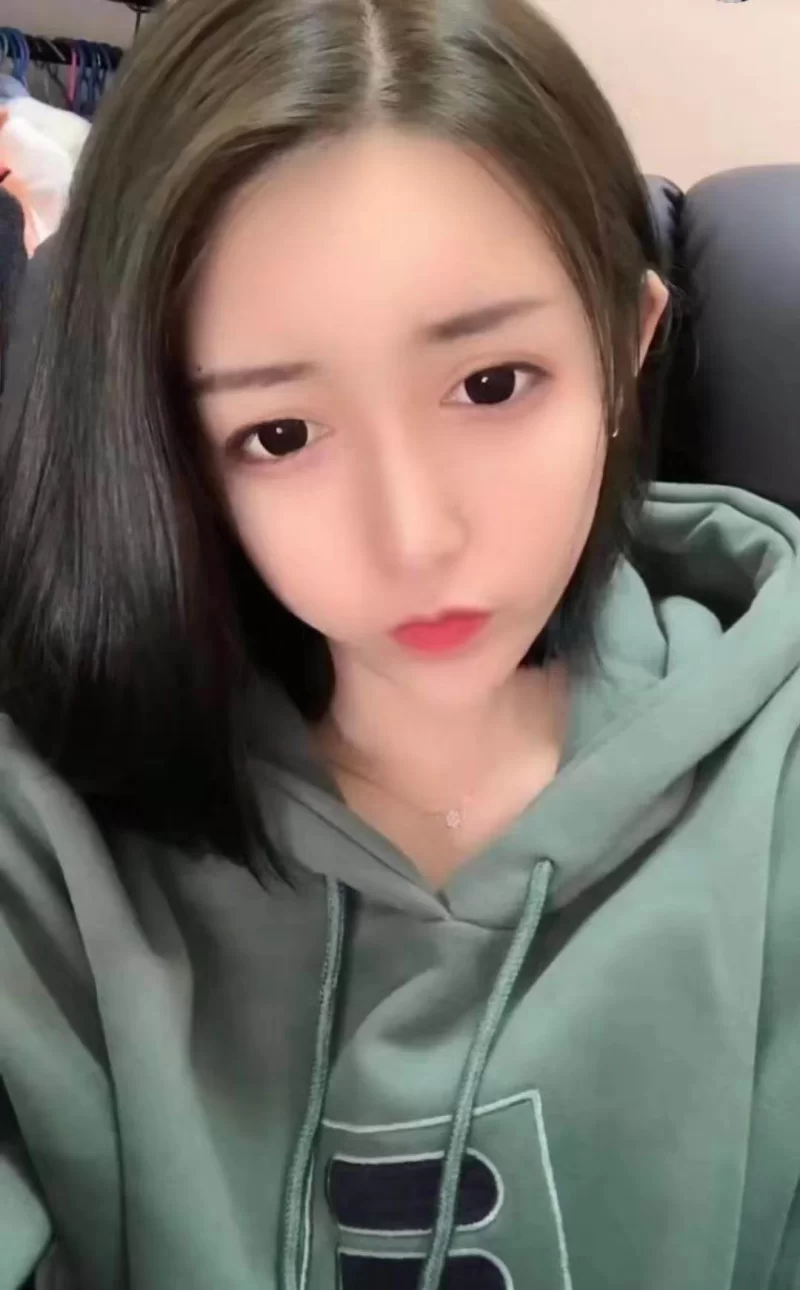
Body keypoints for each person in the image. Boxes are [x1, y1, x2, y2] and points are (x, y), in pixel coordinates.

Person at [0, 0, 798, 1286]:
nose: (414, 537)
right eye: (280, 434)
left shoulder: (777, 794)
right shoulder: (45, 846)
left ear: (626, 346)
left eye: (490, 384)